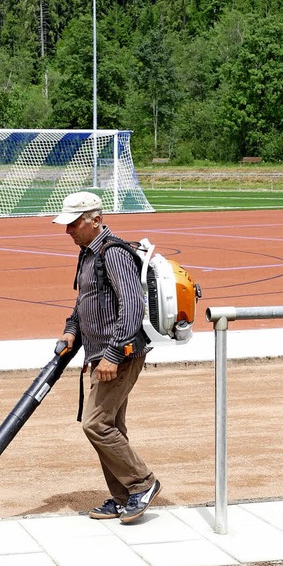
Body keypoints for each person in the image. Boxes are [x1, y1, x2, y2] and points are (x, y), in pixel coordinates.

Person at [52, 190, 161, 524]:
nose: (67, 230)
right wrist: (72, 329)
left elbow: (132, 306)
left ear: (95, 220)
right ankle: (123, 496)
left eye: (73, 224)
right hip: (101, 353)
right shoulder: (88, 254)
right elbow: (84, 301)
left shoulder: (113, 254)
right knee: (111, 425)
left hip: (121, 354)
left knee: (96, 424)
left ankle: (142, 484)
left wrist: (112, 355)